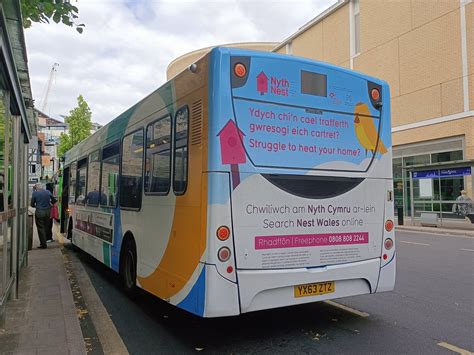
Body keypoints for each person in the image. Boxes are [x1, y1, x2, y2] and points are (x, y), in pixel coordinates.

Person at [31, 183, 57, 249]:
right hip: (48, 212)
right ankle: (45, 241)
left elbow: (32, 204)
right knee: (46, 227)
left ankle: (43, 244)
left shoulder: (35, 193)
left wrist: (37, 206)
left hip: (39, 212)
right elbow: (54, 200)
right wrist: (50, 204)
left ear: (36, 188)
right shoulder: (47, 192)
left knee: (40, 228)